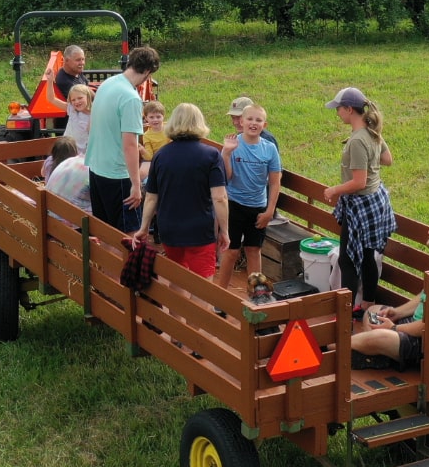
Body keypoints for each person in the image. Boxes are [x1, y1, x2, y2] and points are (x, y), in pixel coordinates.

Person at [351, 212, 429, 368]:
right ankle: (378, 352)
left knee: (380, 336)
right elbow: (425, 293)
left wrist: (394, 327)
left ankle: (336, 348)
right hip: (416, 326)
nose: (428, 233)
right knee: (373, 312)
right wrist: (398, 313)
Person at [132, 102, 228, 279]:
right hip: (200, 230)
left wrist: (144, 227)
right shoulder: (212, 155)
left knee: (178, 279)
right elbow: (220, 198)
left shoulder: (161, 155)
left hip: (169, 228)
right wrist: (224, 230)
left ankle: (176, 308)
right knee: (203, 285)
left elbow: (152, 198)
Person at [322, 85, 395, 314]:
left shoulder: (357, 140)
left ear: (349, 110)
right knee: (366, 255)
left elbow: (359, 182)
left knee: (348, 260)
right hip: (376, 201)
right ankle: (367, 305)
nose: (337, 113)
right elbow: (387, 160)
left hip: (360, 204)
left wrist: (334, 190)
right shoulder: (373, 133)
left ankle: (346, 312)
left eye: (338, 109)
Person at [84, 46, 160, 233]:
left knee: (105, 231)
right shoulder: (130, 98)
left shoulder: (107, 84)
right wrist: (135, 185)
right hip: (117, 175)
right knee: (128, 234)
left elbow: (91, 125)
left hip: (96, 168)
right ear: (148, 72)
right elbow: (130, 146)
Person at [214, 102, 282, 287]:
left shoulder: (269, 148)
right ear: (241, 122)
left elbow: (275, 182)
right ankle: (221, 295)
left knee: (254, 250)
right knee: (231, 251)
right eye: (249, 119)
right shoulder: (232, 144)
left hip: (258, 207)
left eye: (258, 120)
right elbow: (226, 178)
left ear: (264, 125)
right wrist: (226, 155)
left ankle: (256, 293)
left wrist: (269, 211)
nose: (253, 123)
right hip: (234, 205)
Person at [42, 137, 93, 212]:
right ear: (75, 152)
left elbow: (42, 173)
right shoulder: (77, 168)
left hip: (51, 200)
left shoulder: (49, 161)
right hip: (70, 209)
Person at [63, 83, 92, 152]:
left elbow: (90, 131)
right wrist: (50, 81)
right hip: (67, 150)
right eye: (73, 100)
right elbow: (51, 99)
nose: (77, 102)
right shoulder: (72, 109)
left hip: (83, 153)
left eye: (80, 98)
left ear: (87, 97)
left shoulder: (94, 114)